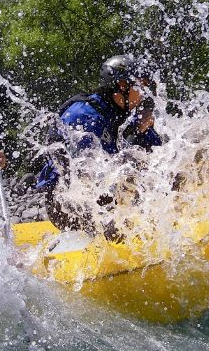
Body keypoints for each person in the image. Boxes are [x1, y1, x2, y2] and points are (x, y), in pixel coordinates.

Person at [36, 54, 162, 231]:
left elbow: (159, 153)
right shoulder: (84, 116)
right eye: (140, 86)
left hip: (100, 196)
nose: (144, 93)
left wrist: (140, 131)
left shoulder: (119, 113)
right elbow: (87, 175)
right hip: (65, 205)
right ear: (122, 86)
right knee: (128, 166)